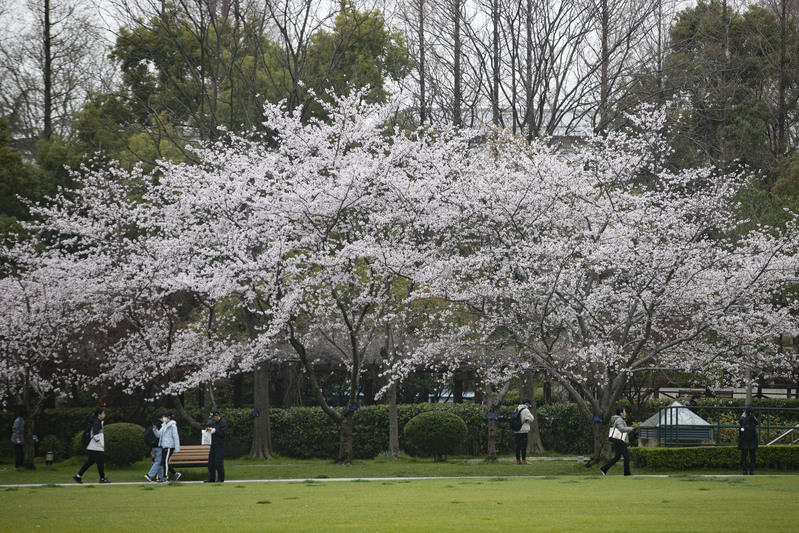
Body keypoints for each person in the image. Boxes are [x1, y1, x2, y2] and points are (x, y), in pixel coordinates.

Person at [73, 407, 111, 484]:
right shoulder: (97, 422)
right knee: (100, 462)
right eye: (103, 413)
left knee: (90, 461)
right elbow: (95, 434)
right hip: (96, 446)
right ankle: (102, 478)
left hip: (92, 446)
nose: (104, 415)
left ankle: (78, 476)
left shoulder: (96, 422)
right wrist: (99, 442)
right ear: (99, 414)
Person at [600, 407, 636, 476]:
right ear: (621, 413)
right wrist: (629, 428)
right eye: (624, 411)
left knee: (617, 457)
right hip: (620, 441)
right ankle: (627, 472)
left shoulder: (616, 419)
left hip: (616, 440)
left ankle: (604, 469)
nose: (625, 413)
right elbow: (621, 428)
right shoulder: (619, 419)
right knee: (626, 456)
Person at [154, 411, 181, 482]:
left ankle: (165, 477)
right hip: (164, 445)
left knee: (165, 461)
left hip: (169, 446)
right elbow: (159, 435)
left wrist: (177, 447)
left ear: (168, 417)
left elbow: (175, 436)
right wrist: (155, 430)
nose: (163, 419)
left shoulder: (173, 426)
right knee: (163, 462)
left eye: (164, 417)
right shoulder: (164, 425)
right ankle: (175, 473)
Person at [205, 410, 228, 483]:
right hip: (213, 445)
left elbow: (223, 433)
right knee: (211, 463)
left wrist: (214, 430)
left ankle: (220, 478)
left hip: (219, 445)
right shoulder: (214, 423)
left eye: (213, 417)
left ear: (217, 415)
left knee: (218, 463)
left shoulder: (223, 423)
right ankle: (211, 478)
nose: (212, 419)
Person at [513, 398, 535, 465]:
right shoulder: (525, 410)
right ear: (527, 403)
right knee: (523, 446)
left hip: (516, 430)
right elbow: (531, 419)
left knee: (517, 446)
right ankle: (524, 460)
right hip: (523, 430)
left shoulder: (516, 409)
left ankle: (518, 460)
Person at [739, 406, 759, 475]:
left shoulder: (743, 419)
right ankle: (752, 471)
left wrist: (744, 414)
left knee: (744, 456)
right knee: (752, 456)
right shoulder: (753, 419)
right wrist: (752, 414)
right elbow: (757, 422)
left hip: (744, 440)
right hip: (752, 440)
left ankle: (744, 471)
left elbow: (740, 421)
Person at [144, 414, 163, 482]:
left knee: (159, 461)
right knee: (158, 461)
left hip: (153, 446)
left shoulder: (153, 425)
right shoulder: (160, 424)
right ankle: (150, 475)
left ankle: (161, 477)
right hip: (158, 446)